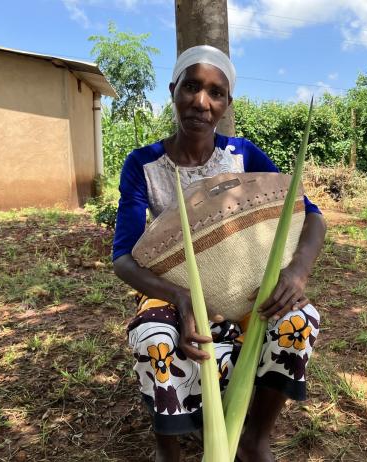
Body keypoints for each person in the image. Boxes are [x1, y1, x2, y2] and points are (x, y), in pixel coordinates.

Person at [112, 45, 326, 462]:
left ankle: (254, 439)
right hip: (171, 289)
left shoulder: (243, 156)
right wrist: (180, 297)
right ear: (173, 89)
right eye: (191, 87)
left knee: (299, 319)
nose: (201, 102)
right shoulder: (144, 165)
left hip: (243, 285)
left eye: (216, 92)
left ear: (227, 103)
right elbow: (124, 258)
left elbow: (312, 217)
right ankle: (168, 450)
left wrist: (297, 273)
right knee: (155, 336)